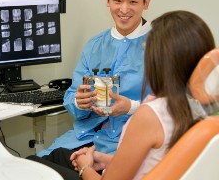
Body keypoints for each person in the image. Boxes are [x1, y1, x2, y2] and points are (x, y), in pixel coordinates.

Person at [27, 0, 152, 175]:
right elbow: (71, 96)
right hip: (82, 138)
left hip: (123, 144)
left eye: (133, 1)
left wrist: (131, 106)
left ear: (146, 2)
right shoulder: (95, 45)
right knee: (30, 168)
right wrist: (79, 102)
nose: (124, 9)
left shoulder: (159, 45)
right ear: (107, 0)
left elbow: (172, 106)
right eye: (117, 0)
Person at [70, 10, 215, 179]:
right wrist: (109, 161)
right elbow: (165, 164)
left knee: (44, 163)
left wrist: (85, 167)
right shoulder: (200, 109)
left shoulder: (151, 115)